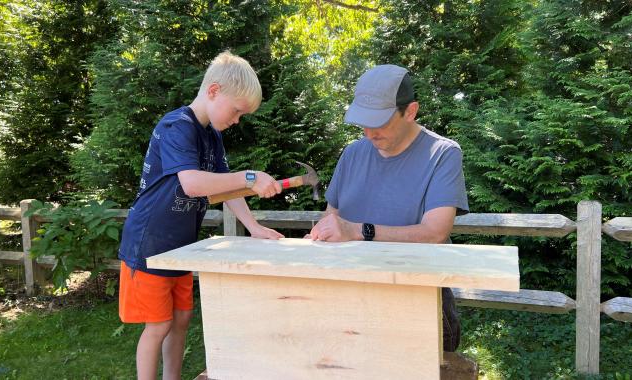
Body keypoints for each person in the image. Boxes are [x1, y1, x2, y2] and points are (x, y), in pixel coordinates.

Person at [118, 51, 284, 380]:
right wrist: (249, 177)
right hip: (147, 246)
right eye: (237, 111)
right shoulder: (177, 126)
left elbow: (223, 189)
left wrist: (253, 227)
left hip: (179, 248)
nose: (237, 120)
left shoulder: (212, 137)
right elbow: (193, 184)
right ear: (213, 91)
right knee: (159, 324)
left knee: (180, 319)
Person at [307, 64, 469, 352]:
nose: (369, 133)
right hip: (351, 298)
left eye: (379, 122)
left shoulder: (443, 154)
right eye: (363, 123)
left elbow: (435, 233)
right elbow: (331, 217)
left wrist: (358, 231)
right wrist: (322, 234)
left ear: (411, 111)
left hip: (417, 303)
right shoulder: (353, 153)